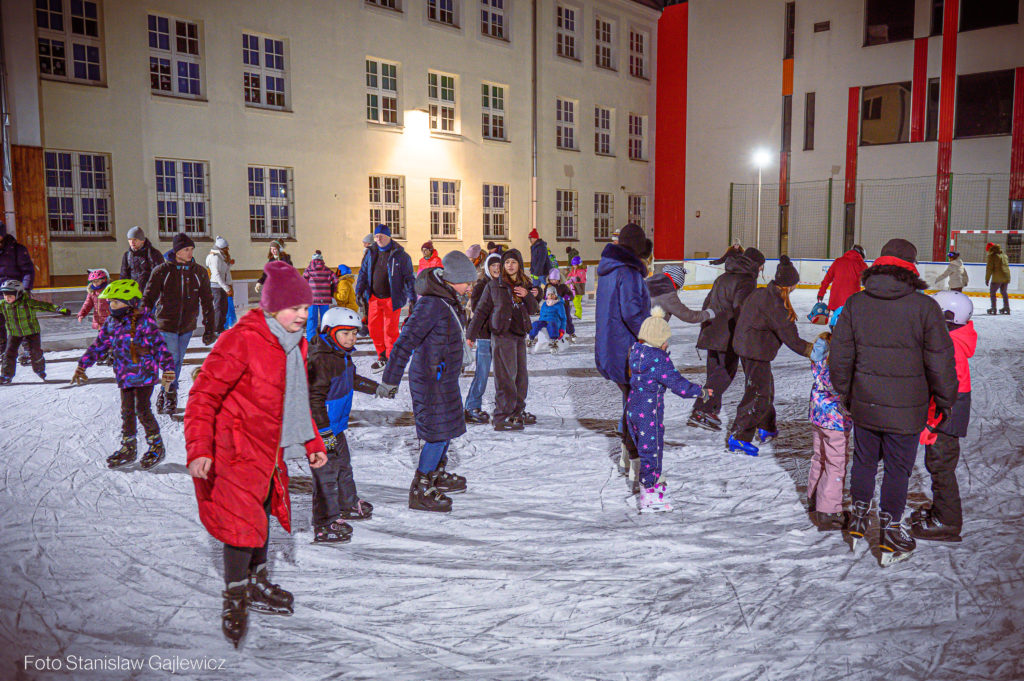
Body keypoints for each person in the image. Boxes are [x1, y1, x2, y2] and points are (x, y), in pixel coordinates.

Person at [184, 260, 328, 647]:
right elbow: (203, 395)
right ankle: (235, 596)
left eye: (305, 307)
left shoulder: (293, 344)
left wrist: (312, 443)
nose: (303, 314)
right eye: (296, 308)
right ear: (272, 307)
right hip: (233, 450)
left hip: (267, 452)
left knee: (260, 517)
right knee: (240, 525)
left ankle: (257, 582)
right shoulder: (242, 339)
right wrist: (199, 448)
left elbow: (292, 404)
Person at [830, 238, 957, 566]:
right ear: (911, 269)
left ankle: (858, 518)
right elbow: (941, 361)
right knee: (898, 469)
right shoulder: (925, 307)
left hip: (865, 401)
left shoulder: (856, 304)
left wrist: (844, 392)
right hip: (908, 408)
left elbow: (840, 355)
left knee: (864, 461)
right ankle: (889, 533)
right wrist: (945, 401)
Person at [377, 251, 478, 511]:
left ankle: (436, 474)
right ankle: (421, 488)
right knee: (436, 434)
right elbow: (404, 342)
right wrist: (390, 380)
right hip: (430, 380)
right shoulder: (431, 304)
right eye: (467, 281)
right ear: (453, 279)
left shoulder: (450, 299)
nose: (470, 286)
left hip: (444, 378)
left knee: (447, 429)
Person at [70, 279, 175, 470]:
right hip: (125, 375)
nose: (111, 305)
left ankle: (156, 445)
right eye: (110, 302)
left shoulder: (145, 321)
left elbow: (159, 347)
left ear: (130, 302)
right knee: (127, 411)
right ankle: (129, 446)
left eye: (116, 302)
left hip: (145, 375)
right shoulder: (111, 322)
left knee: (141, 409)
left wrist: (167, 369)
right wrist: (82, 365)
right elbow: (99, 345)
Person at [728, 256, 813, 456]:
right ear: (789, 285)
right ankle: (739, 437)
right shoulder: (776, 305)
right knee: (758, 395)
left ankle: (767, 426)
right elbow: (792, 339)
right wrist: (814, 351)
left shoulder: (761, 293)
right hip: (754, 351)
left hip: (748, 347)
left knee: (765, 389)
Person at [307, 306, 379, 542]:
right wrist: (324, 432)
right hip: (322, 429)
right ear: (330, 331)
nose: (351, 338)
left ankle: (347, 504)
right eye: (345, 333)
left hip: (335, 427)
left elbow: (352, 379)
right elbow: (314, 399)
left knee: (344, 466)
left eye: (354, 333)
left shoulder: (341, 354)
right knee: (325, 475)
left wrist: (377, 388)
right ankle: (324, 523)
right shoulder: (321, 359)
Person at [626, 307, 706, 512]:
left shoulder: (636, 351)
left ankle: (650, 485)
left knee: (645, 449)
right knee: (651, 451)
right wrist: (701, 392)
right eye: (665, 339)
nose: (667, 343)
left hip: (633, 408)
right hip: (649, 412)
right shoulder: (659, 359)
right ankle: (649, 495)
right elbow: (678, 384)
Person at [911, 291, 976, 543]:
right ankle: (941, 512)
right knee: (938, 465)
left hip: (947, 414)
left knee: (941, 467)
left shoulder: (950, 346)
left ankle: (948, 522)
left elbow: (946, 393)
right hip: (948, 412)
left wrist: (932, 423)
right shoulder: (954, 338)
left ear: (947, 317)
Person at [595, 223, 652, 484]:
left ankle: (627, 459)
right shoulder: (628, 273)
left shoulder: (608, 271)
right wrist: (653, 336)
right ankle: (636, 462)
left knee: (630, 403)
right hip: (628, 351)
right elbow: (632, 313)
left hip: (611, 348)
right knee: (638, 407)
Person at [688, 247, 765, 431]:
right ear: (755, 264)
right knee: (724, 373)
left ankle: (711, 409)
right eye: (761, 266)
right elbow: (741, 309)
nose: (762, 270)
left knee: (714, 374)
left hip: (711, 330)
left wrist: (706, 326)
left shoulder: (723, 277)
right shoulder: (746, 280)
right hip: (728, 334)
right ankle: (702, 409)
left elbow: (707, 303)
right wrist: (747, 332)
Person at [141, 232, 216, 415]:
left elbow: (207, 300)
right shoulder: (162, 271)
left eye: (191, 249)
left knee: (177, 361)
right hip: (166, 323)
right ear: (177, 251)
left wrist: (209, 327)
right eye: (186, 249)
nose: (190, 252)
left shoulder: (199, 272)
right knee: (172, 360)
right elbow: (149, 298)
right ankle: (170, 393)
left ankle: (165, 391)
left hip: (187, 325)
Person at [467, 249, 540, 431]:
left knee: (521, 377)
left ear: (519, 265)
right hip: (501, 335)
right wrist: (471, 334)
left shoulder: (524, 284)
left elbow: (533, 309)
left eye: (513, 262)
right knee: (506, 377)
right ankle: (501, 415)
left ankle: (516, 411)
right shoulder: (494, 285)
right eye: (507, 263)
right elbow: (481, 310)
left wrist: (528, 295)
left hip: (518, 335)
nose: (509, 265)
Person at [805, 307, 853, 530]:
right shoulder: (840, 356)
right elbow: (839, 386)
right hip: (835, 418)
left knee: (820, 457)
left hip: (818, 414)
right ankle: (829, 510)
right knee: (836, 463)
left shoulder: (821, 346)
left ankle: (814, 498)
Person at [355, 224, 416, 372]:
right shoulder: (370, 253)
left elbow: (408, 278)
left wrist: (412, 297)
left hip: (392, 299)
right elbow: (363, 273)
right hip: (374, 298)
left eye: (381, 236)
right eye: (376, 236)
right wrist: (359, 291)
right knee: (373, 328)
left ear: (389, 237)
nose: (378, 239)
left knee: (390, 330)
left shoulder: (401, 256)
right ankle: (382, 354)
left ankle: (390, 357)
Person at [0, 280, 70, 383]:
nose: (7, 298)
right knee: (9, 354)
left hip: (32, 332)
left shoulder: (28, 303)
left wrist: (59, 309)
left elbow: (45, 305)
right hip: (14, 333)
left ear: (18, 294)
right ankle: (6, 376)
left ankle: (39, 369)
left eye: (10, 295)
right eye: (5, 295)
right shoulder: (3, 304)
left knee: (35, 352)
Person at [464, 252, 502, 425]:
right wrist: (471, 335)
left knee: (505, 375)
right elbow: (478, 312)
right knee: (482, 373)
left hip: (501, 337)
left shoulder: (503, 284)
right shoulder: (481, 285)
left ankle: (505, 407)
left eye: (499, 266)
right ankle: (472, 405)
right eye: (493, 266)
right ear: (487, 267)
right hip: (486, 336)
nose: (496, 269)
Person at [0, 220, 37, 363]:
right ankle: (3, 352)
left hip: (15, 292)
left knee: (21, 323)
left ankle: (29, 351)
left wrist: (26, 289)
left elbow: (28, 270)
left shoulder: (17, 249)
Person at [646, 265, 712, 325]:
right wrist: (708, 314)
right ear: (676, 283)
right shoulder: (667, 295)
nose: (676, 291)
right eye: (678, 288)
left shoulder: (645, 284)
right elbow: (688, 316)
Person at [817, 245, 867, 311]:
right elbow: (869, 282)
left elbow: (827, 279)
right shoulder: (862, 264)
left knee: (837, 320)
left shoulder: (838, 261)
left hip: (835, 300)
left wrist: (821, 293)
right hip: (852, 301)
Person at [302, 251, 338, 341]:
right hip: (325, 298)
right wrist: (332, 290)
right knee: (325, 319)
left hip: (312, 298)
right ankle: (325, 338)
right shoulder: (327, 270)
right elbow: (336, 280)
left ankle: (311, 338)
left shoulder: (308, 270)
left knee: (312, 319)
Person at [119, 225, 163, 292]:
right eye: (130, 239)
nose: (132, 242)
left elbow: (160, 274)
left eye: (135, 239)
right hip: (132, 292)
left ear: (142, 240)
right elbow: (123, 275)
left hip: (149, 292)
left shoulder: (153, 254)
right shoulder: (127, 255)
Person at [527, 285, 568, 353]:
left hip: (554, 321)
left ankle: (554, 341)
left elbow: (563, 318)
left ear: (555, 295)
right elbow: (541, 315)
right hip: (543, 321)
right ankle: (531, 340)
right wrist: (539, 323)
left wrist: (562, 329)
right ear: (547, 296)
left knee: (552, 325)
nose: (551, 296)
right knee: (535, 324)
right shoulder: (544, 304)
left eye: (552, 294)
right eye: (549, 294)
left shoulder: (559, 304)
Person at [205, 236, 233, 334]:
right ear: (221, 248)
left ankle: (220, 327)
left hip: (222, 285)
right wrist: (226, 288)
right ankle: (217, 329)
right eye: (226, 248)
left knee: (224, 308)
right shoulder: (215, 257)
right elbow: (216, 274)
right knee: (219, 308)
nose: (228, 249)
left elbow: (223, 270)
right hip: (217, 286)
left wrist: (229, 264)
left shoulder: (221, 256)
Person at [545, 268, 576, 341]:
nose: (553, 281)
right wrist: (546, 298)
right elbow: (545, 295)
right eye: (551, 280)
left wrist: (567, 297)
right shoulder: (548, 287)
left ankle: (571, 332)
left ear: (559, 280)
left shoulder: (563, 287)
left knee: (567, 319)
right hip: (553, 307)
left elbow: (571, 295)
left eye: (555, 280)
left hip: (564, 306)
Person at [985, 242, 1011, 315]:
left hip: (997, 277)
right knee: (1004, 292)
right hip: (1006, 276)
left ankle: (993, 307)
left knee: (992, 292)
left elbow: (989, 269)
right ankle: (1006, 307)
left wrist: (987, 279)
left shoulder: (992, 256)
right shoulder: (1004, 255)